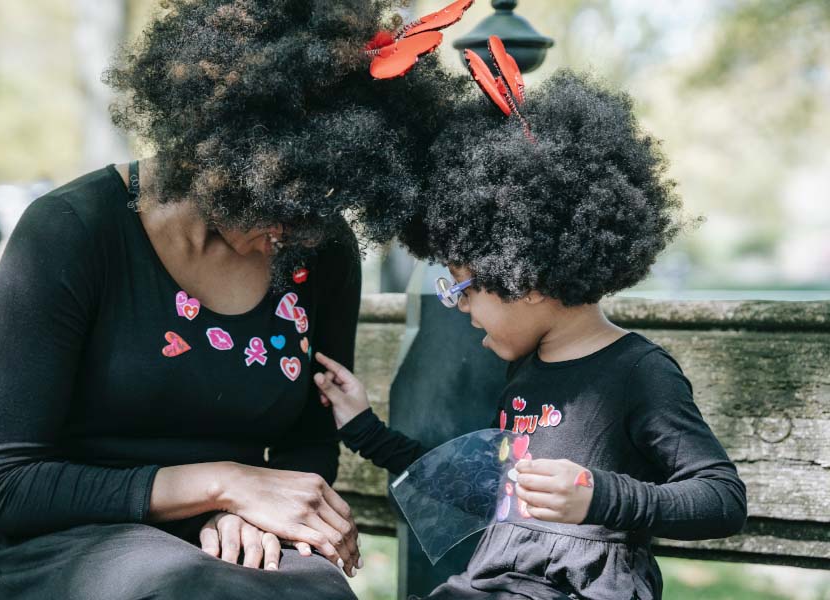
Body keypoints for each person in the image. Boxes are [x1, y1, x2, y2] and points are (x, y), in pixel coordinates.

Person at [0, 1, 465, 598]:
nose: (292, 234)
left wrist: (251, 511)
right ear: (223, 149)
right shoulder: (72, 232)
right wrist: (223, 485)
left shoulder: (319, 246)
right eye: (280, 203)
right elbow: (3, 486)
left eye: (320, 206)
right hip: (70, 537)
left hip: (232, 535)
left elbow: (309, 440)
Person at [312, 70, 748, 600]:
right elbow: (480, 489)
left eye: (464, 287)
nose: (460, 306)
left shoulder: (639, 373)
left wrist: (597, 495)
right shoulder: (525, 372)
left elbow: (722, 498)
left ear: (526, 275)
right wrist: (363, 429)